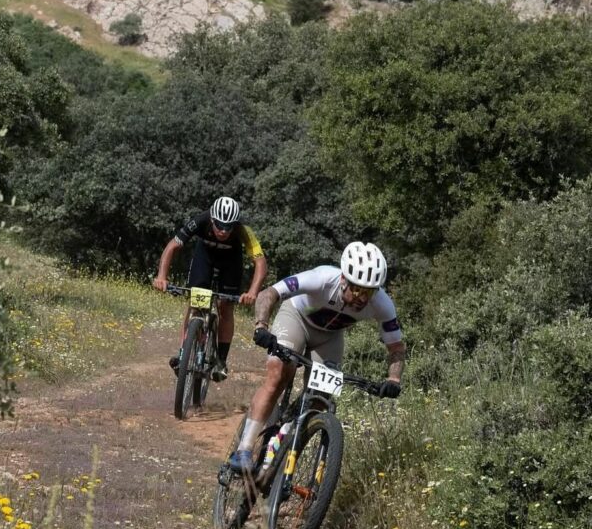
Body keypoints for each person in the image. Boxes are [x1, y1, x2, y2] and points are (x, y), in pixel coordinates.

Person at [228, 240, 405, 472]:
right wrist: (261, 326)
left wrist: (393, 380)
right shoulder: (321, 278)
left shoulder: (383, 304)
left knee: (322, 399)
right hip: (297, 318)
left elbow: (396, 348)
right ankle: (244, 448)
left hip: (330, 336)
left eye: (369, 292)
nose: (362, 298)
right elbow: (268, 294)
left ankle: (284, 444)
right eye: (358, 289)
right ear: (343, 279)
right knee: (279, 373)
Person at [153, 196, 268, 381]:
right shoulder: (200, 220)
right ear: (212, 219)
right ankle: (184, 351)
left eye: (228, 227)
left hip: (231, 262)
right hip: (204, 257)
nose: (223, 231)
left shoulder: (243, 231)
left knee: (225, 306)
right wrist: (161, 277)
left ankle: (221, 361)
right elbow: (172, 247)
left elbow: (260, 263)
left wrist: (253, 292)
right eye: (220, 225)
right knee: (196, 301)